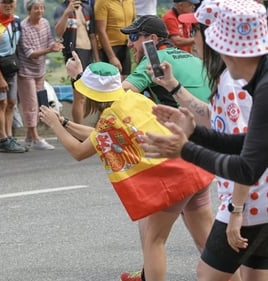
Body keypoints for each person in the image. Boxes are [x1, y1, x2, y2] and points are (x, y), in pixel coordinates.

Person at [39, 57, 213, 281]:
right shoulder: (135, 99)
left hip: (175, 178)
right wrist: (64, 123)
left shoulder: (110, 118)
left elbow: (80, 151)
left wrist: (54, 124)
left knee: (154, 241)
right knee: (209, 245)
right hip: (194, 167)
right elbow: (97, 137)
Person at [141, 0, 268, 279]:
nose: (192, 38)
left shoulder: (238, 83)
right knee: (254, 275)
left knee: (208, 275)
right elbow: (235, 133)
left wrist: (236, 210)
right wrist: (176, 93)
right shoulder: (247, 78)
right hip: (258, 202)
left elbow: (245, 161)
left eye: (196, 30)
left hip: (251, 201)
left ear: (221, 43)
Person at [118, 14, 215, 281]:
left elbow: (120, 95)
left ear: (151, 39)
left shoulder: (154, 60)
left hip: (180, 153)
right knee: (206, 240)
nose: (129, 44)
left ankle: (149, 274)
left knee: (154, 236)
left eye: (134, 38)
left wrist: (82, 77)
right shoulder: (192, 58)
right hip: (207, 150)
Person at [120, 15, 211, 108]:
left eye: (133, 36)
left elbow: (125, 89)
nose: (129, 44)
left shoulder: (154, 58)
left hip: (188, 118)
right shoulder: (190, 57)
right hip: (211, 115)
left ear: (152, 38)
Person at [0, 0, 27, 153]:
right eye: (4, 3)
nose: (8, 6)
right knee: (0, 103)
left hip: (11, 66)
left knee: (11, 102)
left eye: (11, 2)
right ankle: (2, 139)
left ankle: (9, 136)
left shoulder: (16, 21)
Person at [17, 0, 63, 150]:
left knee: (40, 102)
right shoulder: (23, 27)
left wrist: (54, 45)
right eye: (36, 8)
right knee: (30, 104)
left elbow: (49, 40)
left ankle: (29, 137)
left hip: (40, 70)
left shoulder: (44, 23)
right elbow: (30, 53)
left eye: (42, 8)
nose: (40, 11)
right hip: (26, 71)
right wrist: (49, 50)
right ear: (29, 10)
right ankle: (36, 138)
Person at [54, 0, 98, 124]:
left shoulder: (87, 8)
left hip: (88, 52)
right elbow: (58, 32)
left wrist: (97, 58)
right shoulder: (62, 8)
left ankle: (84, 128)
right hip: (73, 52)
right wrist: (67, 13)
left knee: (90, 94)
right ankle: (78, 130)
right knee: (79, 96)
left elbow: (93, 35)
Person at [94, 0, 135, 80]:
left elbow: (133, 22)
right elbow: (100, 31)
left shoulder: (129, 1)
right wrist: (112, 57)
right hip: (109, 47)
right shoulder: (102, 2)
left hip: (125, 46)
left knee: (125, 80)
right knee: (111, 82)